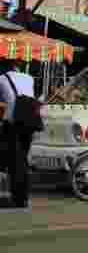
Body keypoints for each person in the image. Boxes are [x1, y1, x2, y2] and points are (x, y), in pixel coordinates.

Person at [0, 59, 35, 209]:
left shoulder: (1, 78)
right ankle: (22, 197)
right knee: (22, 161)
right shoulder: (29, 78)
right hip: (30, 123)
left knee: (15, 161)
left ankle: (18, 199)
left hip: (13, 123)